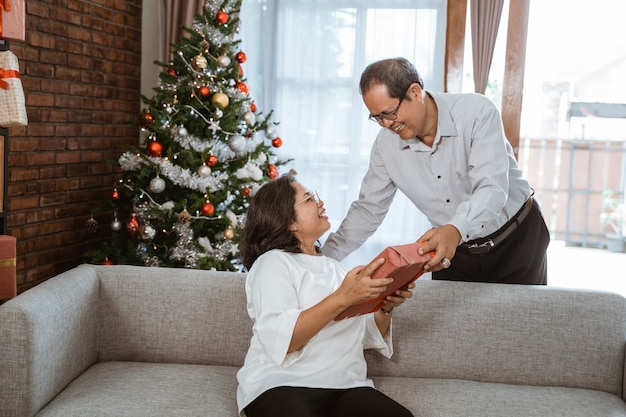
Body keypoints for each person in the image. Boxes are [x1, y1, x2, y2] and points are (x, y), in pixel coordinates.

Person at [321, 57, 550, 285]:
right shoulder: (385, 146)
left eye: (389, 113)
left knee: (521, 321)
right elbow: (368, 209)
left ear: (415, 93)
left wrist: (455, 229)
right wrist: (323, 257)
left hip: (516, 239)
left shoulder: (477, 113)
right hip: (453, 249)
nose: (386, 125)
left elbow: (492, 188)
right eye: (377, 117)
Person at [236, 173, 415, 417]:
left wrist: (385, 306)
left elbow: (362, 335)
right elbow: (286, 340)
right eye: (309, 199)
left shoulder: (336, 269)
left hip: (347, 385)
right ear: (289, 222)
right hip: (283, 383)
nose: (320, 203)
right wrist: (343, 296)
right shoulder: (273, 263)